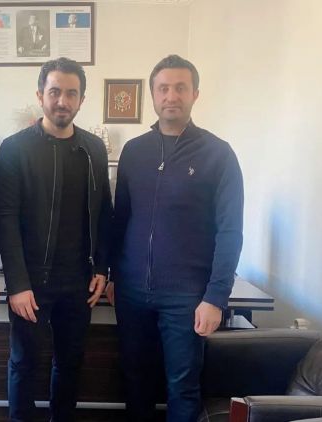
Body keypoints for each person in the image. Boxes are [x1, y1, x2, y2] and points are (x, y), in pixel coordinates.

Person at [107, 54, 244, 422]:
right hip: (132, 293)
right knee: (135, 381)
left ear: (195, 94)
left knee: (182, 387)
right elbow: (120, 220)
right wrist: (113, 275)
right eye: (163, 88)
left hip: (187, 296)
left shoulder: (218, 154)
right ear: (153, 95)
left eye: (180, 88)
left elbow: (230, 231)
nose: (171, 96)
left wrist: (215, 297)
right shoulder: (134, 152)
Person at [0, 57, 112, 422]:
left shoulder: (94, 149)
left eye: (71, 93)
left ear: (82, 99)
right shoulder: (14, 149)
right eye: (55, 91)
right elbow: (5, 220)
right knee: (23, 363)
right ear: (40, 95)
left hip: (78, 282)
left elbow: (104, 213)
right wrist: (17, 284)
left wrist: (103, 268)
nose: (63, 101)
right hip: (30, 283)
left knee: (70, 363)